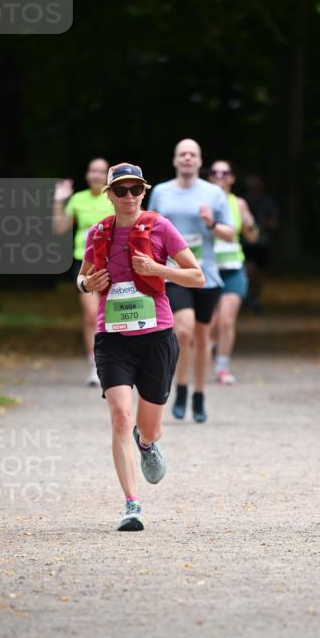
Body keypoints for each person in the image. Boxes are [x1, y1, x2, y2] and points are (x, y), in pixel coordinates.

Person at [77, 162, 204, 531]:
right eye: (121, 190)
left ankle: (146, 445)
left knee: (149, 428)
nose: (129, 196)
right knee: (119, 414)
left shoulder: (160, 227)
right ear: (110, 195)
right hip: (112, 337)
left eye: (135, 190)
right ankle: (132, 504)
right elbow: (82, 278)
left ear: (144, 192)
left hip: (156, 337)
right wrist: (88, 284)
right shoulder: (98, 233)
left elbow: (196, 276)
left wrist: (157, 270)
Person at [148, 139, 233, 422]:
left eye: (192, 154)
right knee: (182, 332)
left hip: (205, 274)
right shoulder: (160, 192)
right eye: (182, 154)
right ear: (175, 160)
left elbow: (230, 234)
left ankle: (198, 395)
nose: (187, 158)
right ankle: (180, 388)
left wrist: (211, 223)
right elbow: (148, 230)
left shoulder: (214, 193)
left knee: (202, 336)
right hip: (173, 273)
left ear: (199, 161)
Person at [53, 159, 114, 386]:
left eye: (101, 171)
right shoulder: (78, 199)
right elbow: (60, 228)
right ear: (87, 175)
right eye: (93, 171)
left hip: (112, 262)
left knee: (113, 314)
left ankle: (117, 363)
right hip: (84, 262)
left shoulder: (114, 197)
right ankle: (95, 366)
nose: (96, 175)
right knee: (91, 316)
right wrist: (59, 202)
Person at [207, 159, 258, 384]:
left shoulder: (239, 204)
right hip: (208, 269)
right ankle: (204, 355)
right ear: (209, 177)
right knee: (209, 324)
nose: (219, 176)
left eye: (224, 172)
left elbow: (253, 236)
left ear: (231, 178)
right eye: (215, 172)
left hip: (233, 268)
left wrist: (249, 224)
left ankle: (222, 367)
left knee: (226, 321)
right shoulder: (202, 203)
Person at [243, 175, 278, 314]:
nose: (254, 188)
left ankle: (255, 298)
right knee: (250, 270)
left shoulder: (267, 202)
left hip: (262, 243)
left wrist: (265, 224)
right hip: (246, 244)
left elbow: (274, 221)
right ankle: (249, 297)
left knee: (260, 274)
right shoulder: (243, 201)